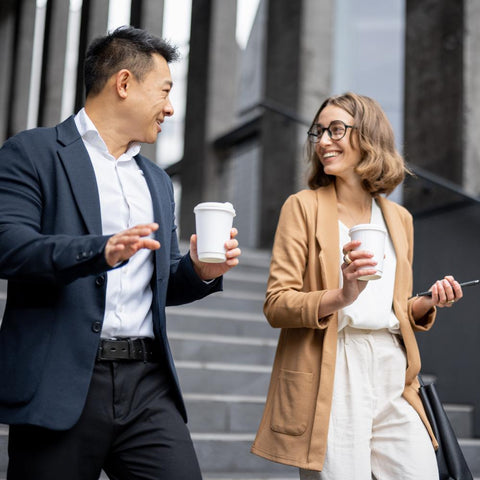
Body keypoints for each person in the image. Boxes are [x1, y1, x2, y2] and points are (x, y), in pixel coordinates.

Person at [0, 26, 241, 480]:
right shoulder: (30, 153)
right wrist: (100, 250)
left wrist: (199, 271)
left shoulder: (156, 180)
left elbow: (161, 279)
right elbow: (9, 247)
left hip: (147, 385)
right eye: (165, 91)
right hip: (61, 381)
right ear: (124, 83)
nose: (171, 108)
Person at [251, 92, 463, 479]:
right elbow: (277, 304)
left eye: (336, 130)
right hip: (333, 364)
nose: (323, 141)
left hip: (393, 369)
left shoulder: (399, 218)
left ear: (368, 136)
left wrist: (428, 302)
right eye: (319, 132)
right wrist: (343, 295)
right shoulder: (303, 207)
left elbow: (394, 307)